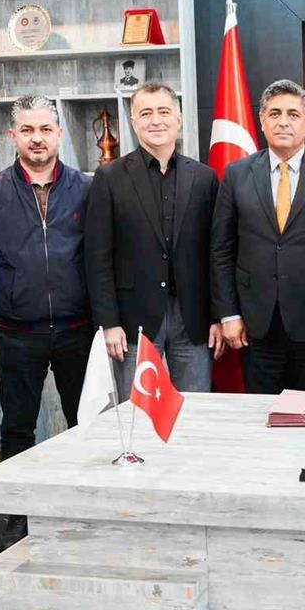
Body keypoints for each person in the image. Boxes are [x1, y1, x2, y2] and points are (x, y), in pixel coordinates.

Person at [0, 95, 90, 537]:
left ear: (59, 134)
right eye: (28, 130)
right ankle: (19, 510)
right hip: (18, 332)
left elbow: (101, 257)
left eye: (46, 129)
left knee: (85, 421)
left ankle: (83, 502)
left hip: (78, 329)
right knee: (17, 425)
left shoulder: (87, 189)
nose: (38, 139)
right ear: (12, 135)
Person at [210, 79, 305, 393]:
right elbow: (221, 251)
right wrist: (228, 313)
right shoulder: (236, 174)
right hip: (256, 325)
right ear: (262, 121)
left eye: (293, 114)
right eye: (275, 113)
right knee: (262, 413)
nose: (283, 122)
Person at [85, 83, 223, 399]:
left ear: (178, 119)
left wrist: (218, 316)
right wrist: (108, 322)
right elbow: (97, 256)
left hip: (193, 319)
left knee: (194, 410)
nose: (156, 120)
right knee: (136, 413)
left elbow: (216, 254)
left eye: (164, 111)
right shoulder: (109, 177)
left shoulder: (204, 178)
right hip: (133, 321)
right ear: (134, 122)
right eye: (146, 113)